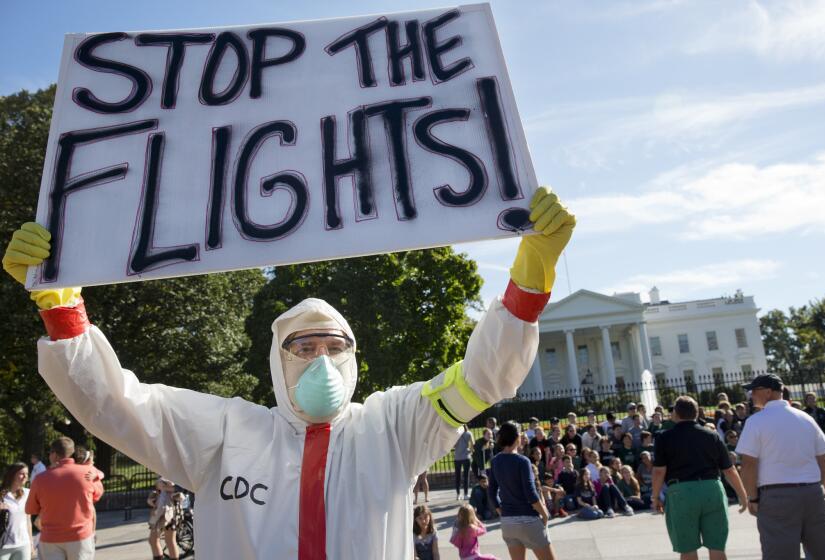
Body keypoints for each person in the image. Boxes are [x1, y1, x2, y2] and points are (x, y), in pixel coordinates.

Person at [1, 187, 576, 558]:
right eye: (302, 347)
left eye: (335, 346)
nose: (320, 359)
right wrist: (61, 306)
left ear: (353, 358)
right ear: (278, 362)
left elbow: (484, 377)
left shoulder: (396, 424)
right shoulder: (224, 432)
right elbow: (115, 402)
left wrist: (529, 280)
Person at [736, 373, 825, 560]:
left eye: (754, 390)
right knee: (824, 553)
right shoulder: (806, 418)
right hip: (813, 494)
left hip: (776, 496)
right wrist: (817, 487)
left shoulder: (756, 421)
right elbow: (823, 459)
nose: (750, 395)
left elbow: (748, 464)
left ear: (768, 392)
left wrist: (752, 498)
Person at [652, 397, 748, 560]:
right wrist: (743, 495)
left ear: (675, 413)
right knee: (717, 546)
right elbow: (729, 469)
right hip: (712, 489)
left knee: (688, 548)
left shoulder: (664, 437)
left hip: (681, 493)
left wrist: (655, 497)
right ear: (696, 413)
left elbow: (659, 472)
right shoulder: (712, 435)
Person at [25, 437, 103, 560]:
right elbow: (97, 495)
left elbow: (30, 509)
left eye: (50, 452)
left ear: (55, 455)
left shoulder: (40, 479)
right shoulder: (88, 473)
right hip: (80, 537)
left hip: (51, 538)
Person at [488, 422, 556, 560]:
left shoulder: (495, 461)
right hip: (528, 519)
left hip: (508, 522)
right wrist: (544, 513)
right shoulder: (522, 461)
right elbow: (530, 492)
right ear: (517, 437)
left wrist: (501, 511)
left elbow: (491, 491)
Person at [1, 463, 34, 560]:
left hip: (23, 545)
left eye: (27, 474)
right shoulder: (2, 494)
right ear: (12, 474)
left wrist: (31, 543)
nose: (25, 477)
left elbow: (28, 520)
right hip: (3, 546)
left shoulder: (28, 493)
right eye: (21, 473)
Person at [147, 477, 184, 560]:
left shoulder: (173, 470)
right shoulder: (162, 470)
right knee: (160, 540)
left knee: (166, 540)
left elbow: (181, 488)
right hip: (161, 512)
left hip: (169, 512)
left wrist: (165, 487)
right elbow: (158, 491)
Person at [454, 426, 474, 500]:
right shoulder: (469, 433)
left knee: (457, 476)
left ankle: (458, 494)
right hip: (466, 456)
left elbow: (454, 445)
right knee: (466, 476)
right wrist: (470, 452)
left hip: (457, 457)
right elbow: (472, 444)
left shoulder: (456, 434)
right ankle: (466, 494)